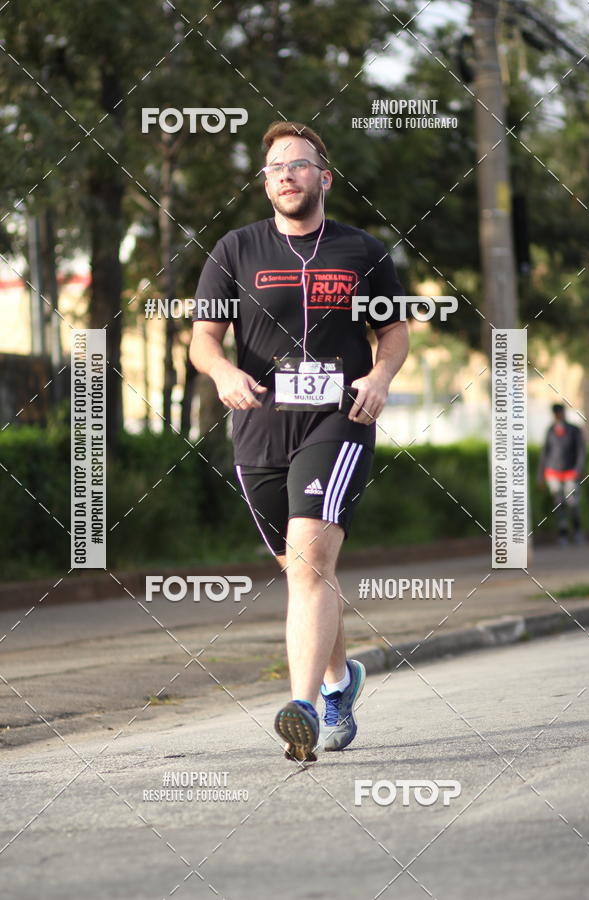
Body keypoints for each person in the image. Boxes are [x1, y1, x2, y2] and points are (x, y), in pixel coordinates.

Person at [190, 121, 408, 761]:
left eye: (299, 163)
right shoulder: (235, 250)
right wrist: (224, 370)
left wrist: (380, 376)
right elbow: (203, 339)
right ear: (266, 184)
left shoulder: (362, 252)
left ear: (324, 177)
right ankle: (343, 680)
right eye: (275, 167)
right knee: (304, 573)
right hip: (259, 424)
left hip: (336, 420)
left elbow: (392, 333)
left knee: (311, 563)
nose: (285, 173)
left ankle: (304, 707)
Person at [537, 403, 586, 545]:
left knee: (572, 502)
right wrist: (541, 475)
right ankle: (562, 533)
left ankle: (577, 531)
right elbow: (545, 453)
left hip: (571, 471)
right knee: (558, 502)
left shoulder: (574, 430)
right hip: (553, 471)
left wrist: (578, 469)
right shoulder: (550, 431)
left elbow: (581, 451)